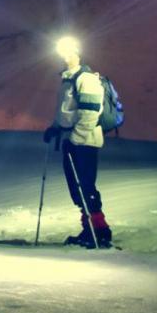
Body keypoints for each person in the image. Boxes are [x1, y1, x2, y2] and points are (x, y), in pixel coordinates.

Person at [44, 36, 113, 248]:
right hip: (72, 141)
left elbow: (90, 113)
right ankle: (89, 228)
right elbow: (67, 111)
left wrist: (76, 138)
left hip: (84, 142)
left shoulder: (87, 78)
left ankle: (100, 231)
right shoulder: (68, 79)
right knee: (77, 188)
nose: (65, 57)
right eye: (62, 54)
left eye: (69, 53)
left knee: (86, 186)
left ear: (77, 53)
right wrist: (56, 127)